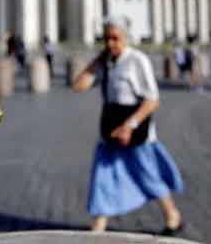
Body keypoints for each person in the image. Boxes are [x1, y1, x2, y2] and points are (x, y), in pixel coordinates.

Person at [73, 16, 184, 235]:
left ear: (126, 37)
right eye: (106, 38)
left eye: (115, 38)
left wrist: (129, 126)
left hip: (135, 130)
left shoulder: (137, 60)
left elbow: (152, 100)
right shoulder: (105, 61)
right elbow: (78, 86)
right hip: (110, 129)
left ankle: (172, 215)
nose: (110, 43)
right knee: (102, 178)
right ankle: (98, 227)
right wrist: (96, 62)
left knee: (148, 176)